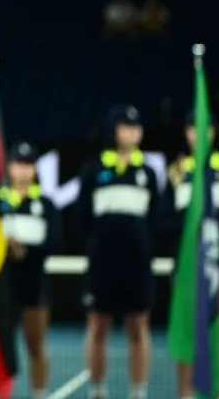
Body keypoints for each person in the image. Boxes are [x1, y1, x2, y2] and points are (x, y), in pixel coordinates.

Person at [77, 104, 165, 399]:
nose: (131, 132)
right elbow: (82, 219)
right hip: (103, 263)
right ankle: (97, 391)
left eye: (136, 127)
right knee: (97, 326)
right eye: (125, 127)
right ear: (114, 131)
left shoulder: (149, 173)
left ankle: (137, 392)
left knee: (138, 328)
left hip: (137, 264)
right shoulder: (94, 170)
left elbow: (155, 220)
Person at [167, 109, 219, 399]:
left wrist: (204, 214)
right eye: (193, 128)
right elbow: (164, 220)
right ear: (186, 133)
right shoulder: (176, 172)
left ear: (214, 132)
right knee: (187, 334)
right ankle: (186, 395)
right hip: (186, 265)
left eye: (205, 128)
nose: (199, 134)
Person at [1, 140, 62, 399]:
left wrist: (25, 251)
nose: (23, 170)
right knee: (1, 346)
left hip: (34, 283)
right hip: (3, 285)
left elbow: (55, 242)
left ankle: (38, 394)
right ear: (9, 167)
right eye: (18, 163)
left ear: (35, 169)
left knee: (35, 345)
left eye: (28, 165)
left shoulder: (46, 205)